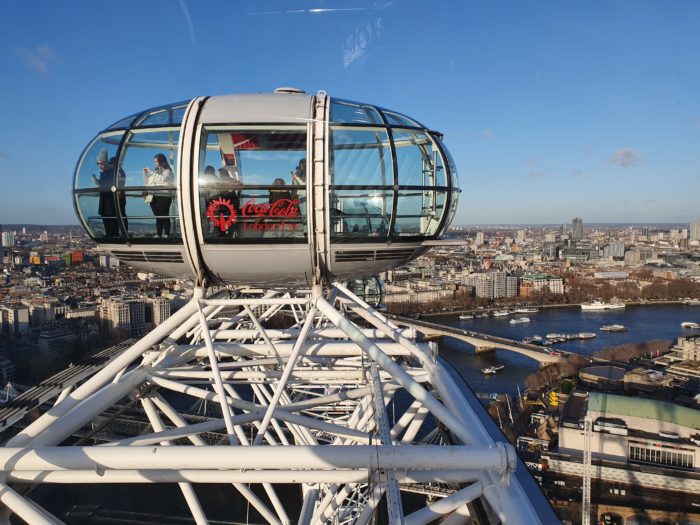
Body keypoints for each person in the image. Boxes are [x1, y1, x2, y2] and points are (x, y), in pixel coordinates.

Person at [143, 153, 174, 238]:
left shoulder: (168, 171)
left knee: (164, 215)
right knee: (158, 216)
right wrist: (145, 175)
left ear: (161, 161)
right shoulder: (155, 171)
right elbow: (148, 183)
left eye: (156, 161)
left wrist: (151, 172)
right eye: (154, 161)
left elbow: (162, 178)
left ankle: (166, 233)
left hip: (164, 196)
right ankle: (158, 233)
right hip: (154, 196)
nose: (155, 163)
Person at [92, 149, 119, 238]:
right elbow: (104, 183)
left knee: (110, 216)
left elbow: (109, 183)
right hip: (104, 197)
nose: (99, 165)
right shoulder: (104, 171)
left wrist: (99, 183)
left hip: (109, 198)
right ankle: (109, 233)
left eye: (100, 163)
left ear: (105, 162)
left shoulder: (111, 171)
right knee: (105, 215)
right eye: (98, 164)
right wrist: (97, 181)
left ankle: (112, 233)